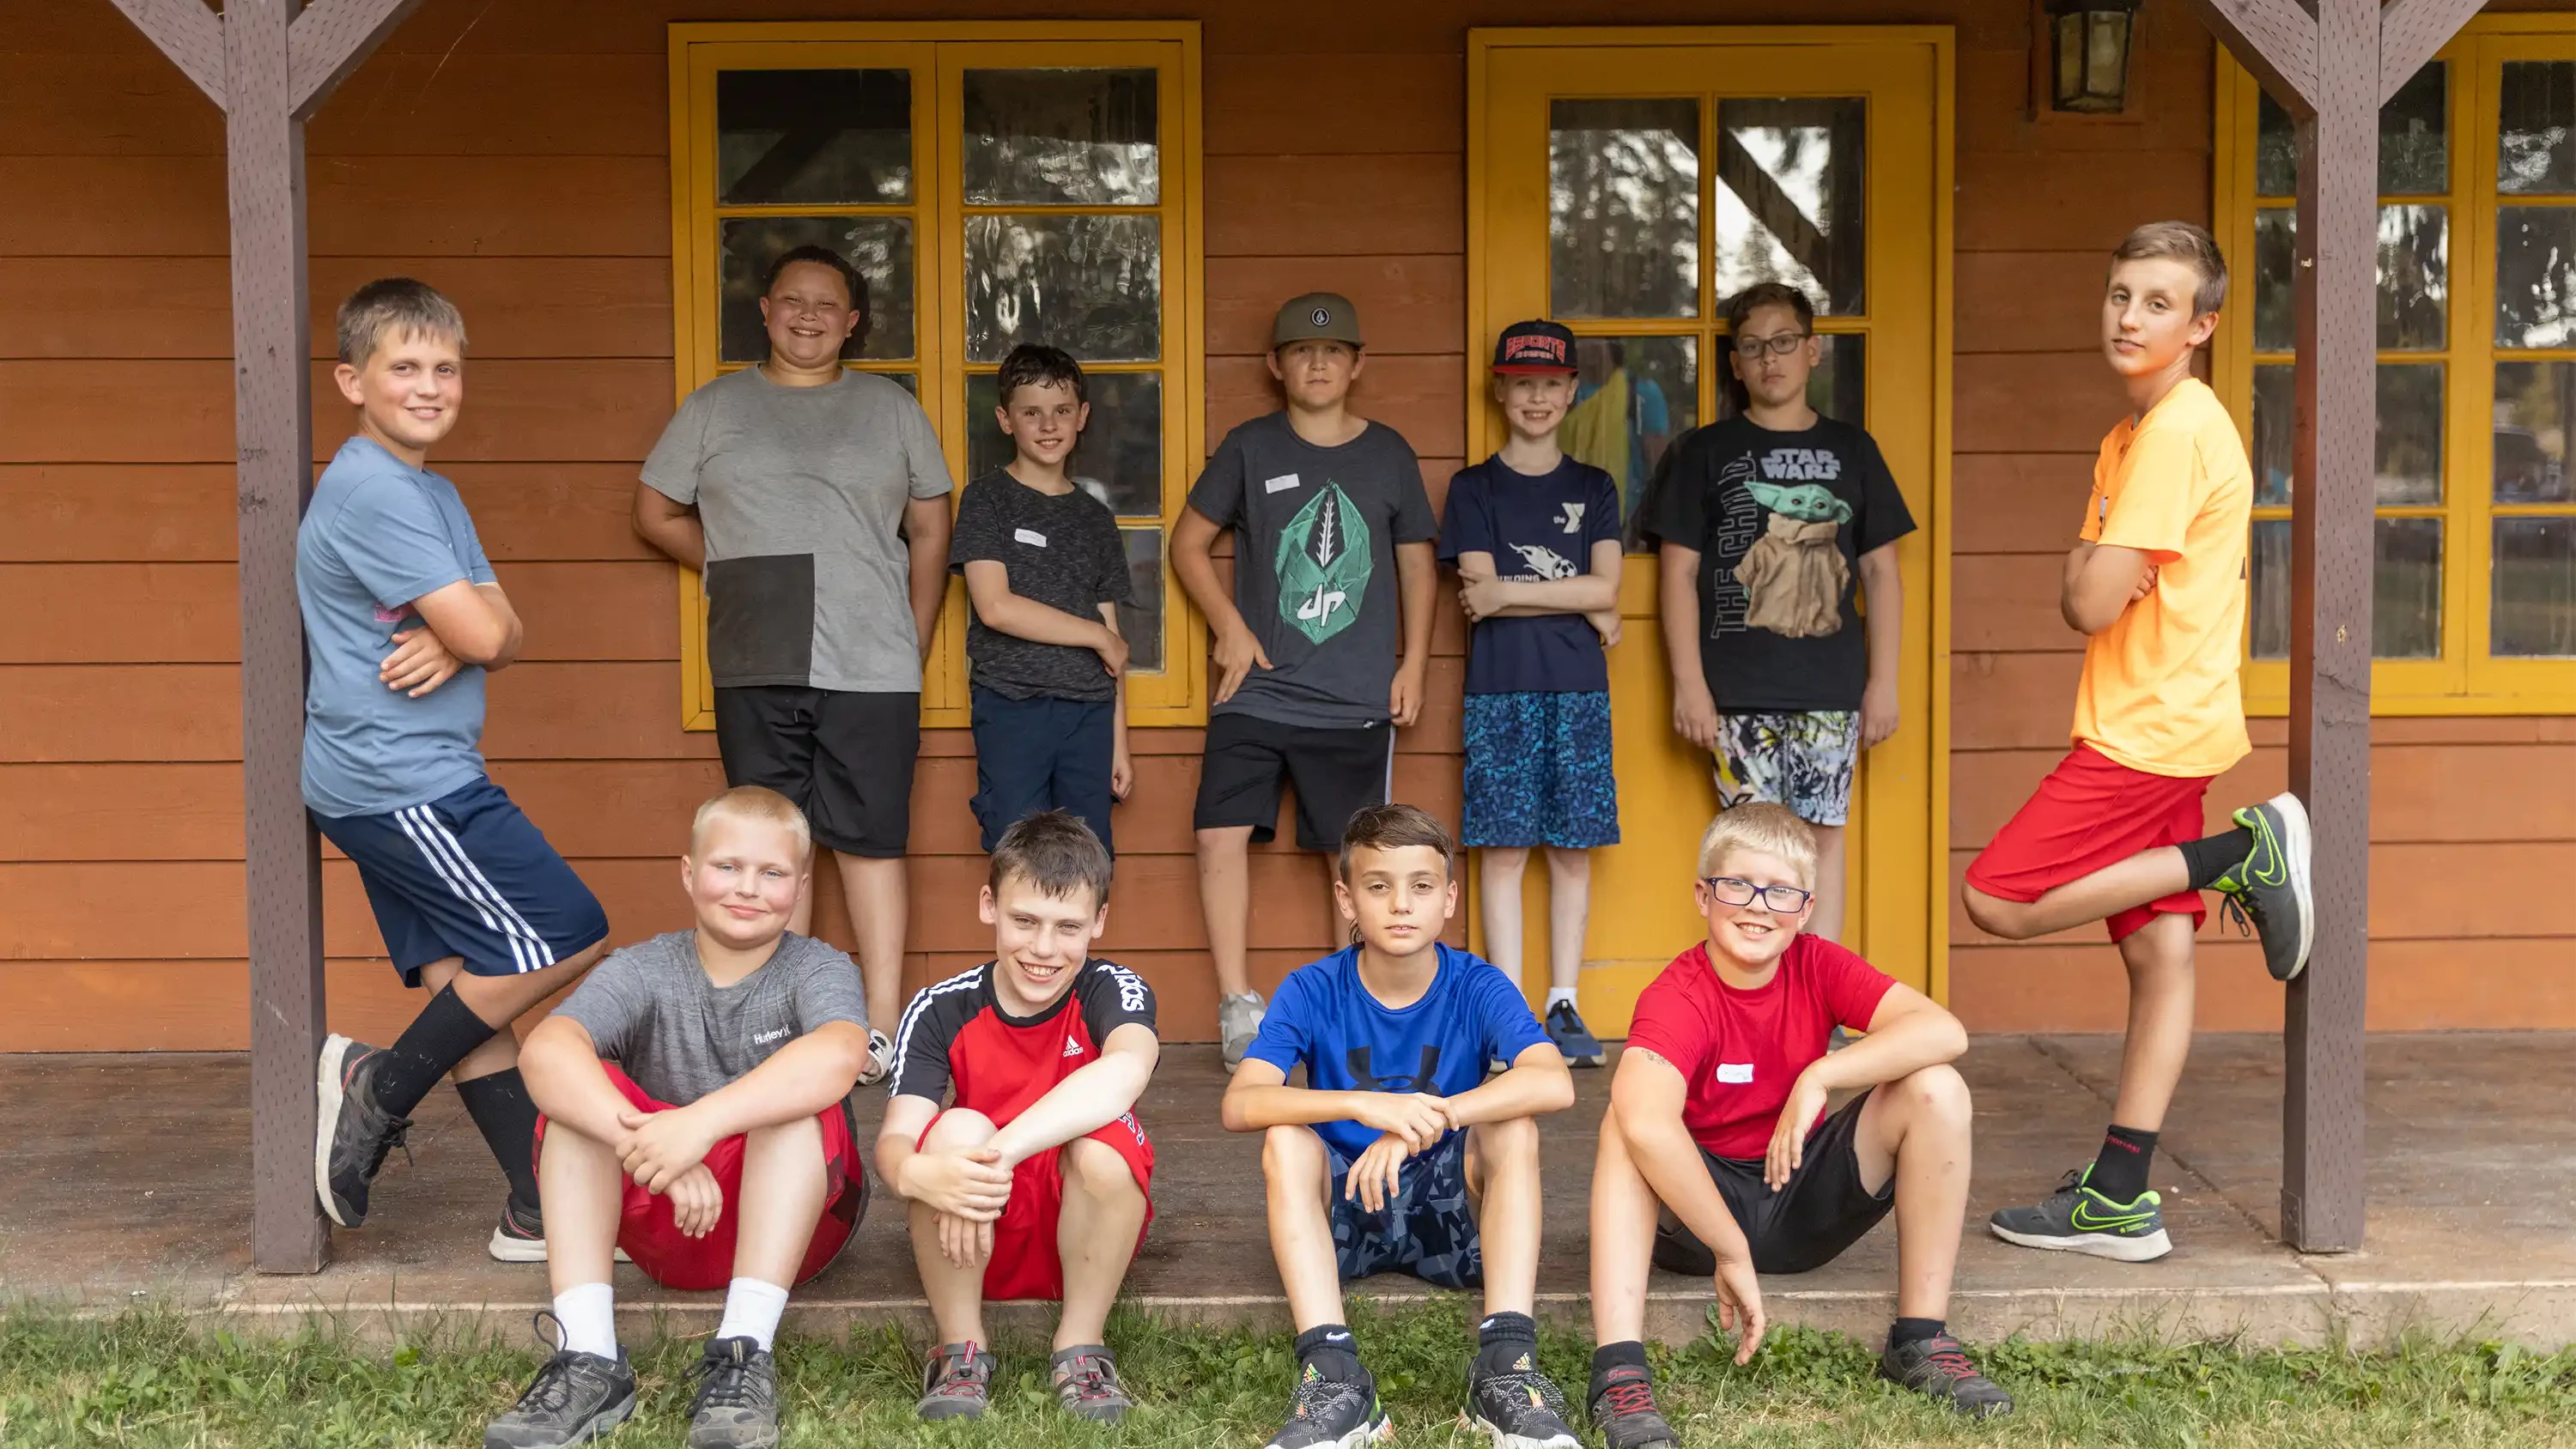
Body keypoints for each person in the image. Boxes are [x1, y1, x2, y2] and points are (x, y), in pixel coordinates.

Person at [1963, 221, 2314, 1263]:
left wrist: (2092, 571)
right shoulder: (2134, 435)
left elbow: (2084, 601)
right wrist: (2092, 570)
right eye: (2120, 294)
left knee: (1998, 896)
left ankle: (2242, 853)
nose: (2129, 316)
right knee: (2163, 955)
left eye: (2159, 303)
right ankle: (2121, 1194)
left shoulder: (2171, 436)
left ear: (2202, 326)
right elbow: (2087, 586)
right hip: (2175, 717)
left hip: (2144, 730)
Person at [299, 278, 611, 1261]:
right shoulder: (376, 490)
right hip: (404, 780)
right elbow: (487, 622)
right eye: (404, 367)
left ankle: (533, 1206)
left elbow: (504, 628)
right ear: (353, 379)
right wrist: (472, 632)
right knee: (562, 933)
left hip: (403, 771)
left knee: (463, 984)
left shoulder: (428, 487)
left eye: (445, 367)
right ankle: (379, 1086)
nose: (430, 386)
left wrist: (472, 638)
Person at [1584, 805, 2011, 1446]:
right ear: (1703, 895)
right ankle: (1619, 1375)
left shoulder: (1818, 965)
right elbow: (1649, 1123)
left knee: (1936, 1088)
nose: (1758, 907)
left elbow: (1943, 1031)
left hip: (1800, 1194)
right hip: (1700, 1214)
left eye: (1780, 891)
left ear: (1805, 909)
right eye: (1737, 885)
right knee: (1627, 1116)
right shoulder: (1680, 993)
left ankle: (1920, 1339)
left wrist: (1821, 1074)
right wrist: (1729, 1247)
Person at [636, 243, 956, 1081]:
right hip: (756, 645)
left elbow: (931, 527)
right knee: (777, 839)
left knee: (872, 840)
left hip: (873, 653)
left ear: (852, 322)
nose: (808, 315)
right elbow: (654, 509)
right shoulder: (715, 406)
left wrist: (914, 631)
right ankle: (795, 1022)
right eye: (792, 300)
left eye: (827, 304)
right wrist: (731, 561)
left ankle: (880, 1025)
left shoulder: (891, 408)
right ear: (767, 310)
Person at [483, 786, 872, 1449]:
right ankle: (590, 1359)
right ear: (690, 873)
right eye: (727, 867)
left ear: (801, 886)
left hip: (791, 1233)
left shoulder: (818, 967)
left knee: (796, 1098)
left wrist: (699, 1126)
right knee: (579, 1095)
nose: (747, 888)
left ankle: (745, 1352)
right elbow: (546, 1052)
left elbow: (841, 1055)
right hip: (666, 1212)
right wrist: (653, 1147)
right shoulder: (643, 968)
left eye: (773, 873)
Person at [1220, 804, 1580, 1449]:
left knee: (1514, 1127)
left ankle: (1505, 1368)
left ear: (1448, 898)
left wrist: (1424, 1119)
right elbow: (1242, 1102)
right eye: (1378, 886)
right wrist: (1358, 1104)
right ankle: (1333, 1378)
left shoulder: (1478, 983)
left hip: (1451, 1212)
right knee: (1285, 1140)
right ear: (1347, 898)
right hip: (1350, 1203)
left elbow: (1553, 1080)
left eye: (1421, 886)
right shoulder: (1312, 987)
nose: (1400, 905)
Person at [1173, 293, 1440, 1068]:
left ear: (1357, 365)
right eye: (1299, 350)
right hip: (1255, 688)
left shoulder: (1388, 453)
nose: (1317, 363)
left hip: (1354, 697)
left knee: (1355, 858)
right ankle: (1237, 1005)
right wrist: (1229, 623)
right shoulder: (1250, 446)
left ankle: (1353, 1009)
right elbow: (1189, 545)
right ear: (1275, 364)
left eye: (1332, 352)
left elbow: (1417, 565)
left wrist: (1413, 661)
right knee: (1216, 834)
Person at [1641, 282, 1916, 944]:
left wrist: (1883, 683)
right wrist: (1690, 684)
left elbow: (1881, 572)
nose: (1771, 359)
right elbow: (1677, 574)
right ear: (1735, 363)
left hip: (1830, 689)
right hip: (1735, 691)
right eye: (1754, 347)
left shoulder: (1855, 449)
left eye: (1785, 343)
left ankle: (1822, 997)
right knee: (1750, 853)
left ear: (1813, 351)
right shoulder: (1703, 452)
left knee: (1822, 840)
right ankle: (1757, 998)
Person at [878, 811, 1159, 1425]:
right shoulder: (940, 1006)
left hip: (1083, 1223)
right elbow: (896, 1140)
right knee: (952, 1133)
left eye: (1068, 927)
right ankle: (960, 1349)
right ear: (989, 905)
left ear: (1099, 923)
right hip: (976, 1220)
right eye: (1024, 920)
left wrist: (1000, 1149)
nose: (1043, 948)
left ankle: (1079, 1347)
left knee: (1105, 1145)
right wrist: (917, 1175)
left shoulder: (1113, 987)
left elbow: (1126, 1073)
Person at [1440, 319, 1625, 1068]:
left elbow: (1608, 582)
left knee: (1573, 849)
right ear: (1501, 388)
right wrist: (1580, 597)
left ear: (1572, 389)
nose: (1537, 397)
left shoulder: (1594, 487)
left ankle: (1562, 1002)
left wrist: (1543, 592)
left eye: (1551, 383)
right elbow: (1477, 595)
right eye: (1523, 383)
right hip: (1499, 690)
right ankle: (1508, 1007)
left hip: (1577, 690)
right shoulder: (1474, 487)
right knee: (1506, 849)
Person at [949, 345, 1135, 854]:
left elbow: (1112, 642)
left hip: (1089, 713)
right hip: (1012, 704)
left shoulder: (1096, 517)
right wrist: (1096, 636)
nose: (1048, 424)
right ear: (1006, 420)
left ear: (1083, 417)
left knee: (1088, 859)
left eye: (1062, 411)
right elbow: (995, 606)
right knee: (1017, 855)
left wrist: (1120, 741)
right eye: (1031, 412)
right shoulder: (986, 499)